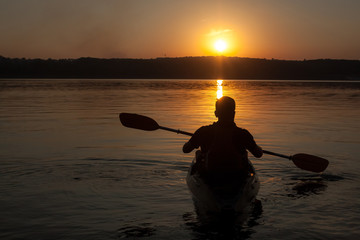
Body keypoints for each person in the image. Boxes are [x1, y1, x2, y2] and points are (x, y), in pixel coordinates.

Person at [183, 96, 262, 179]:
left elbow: (186, 149)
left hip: (210, 176)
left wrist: (194, 140)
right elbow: (258, 154)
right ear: (233, 113)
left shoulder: (203, 131)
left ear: (216, 113)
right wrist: (258, 148)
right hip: (236, 176)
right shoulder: (243, 134)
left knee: (198, 154)